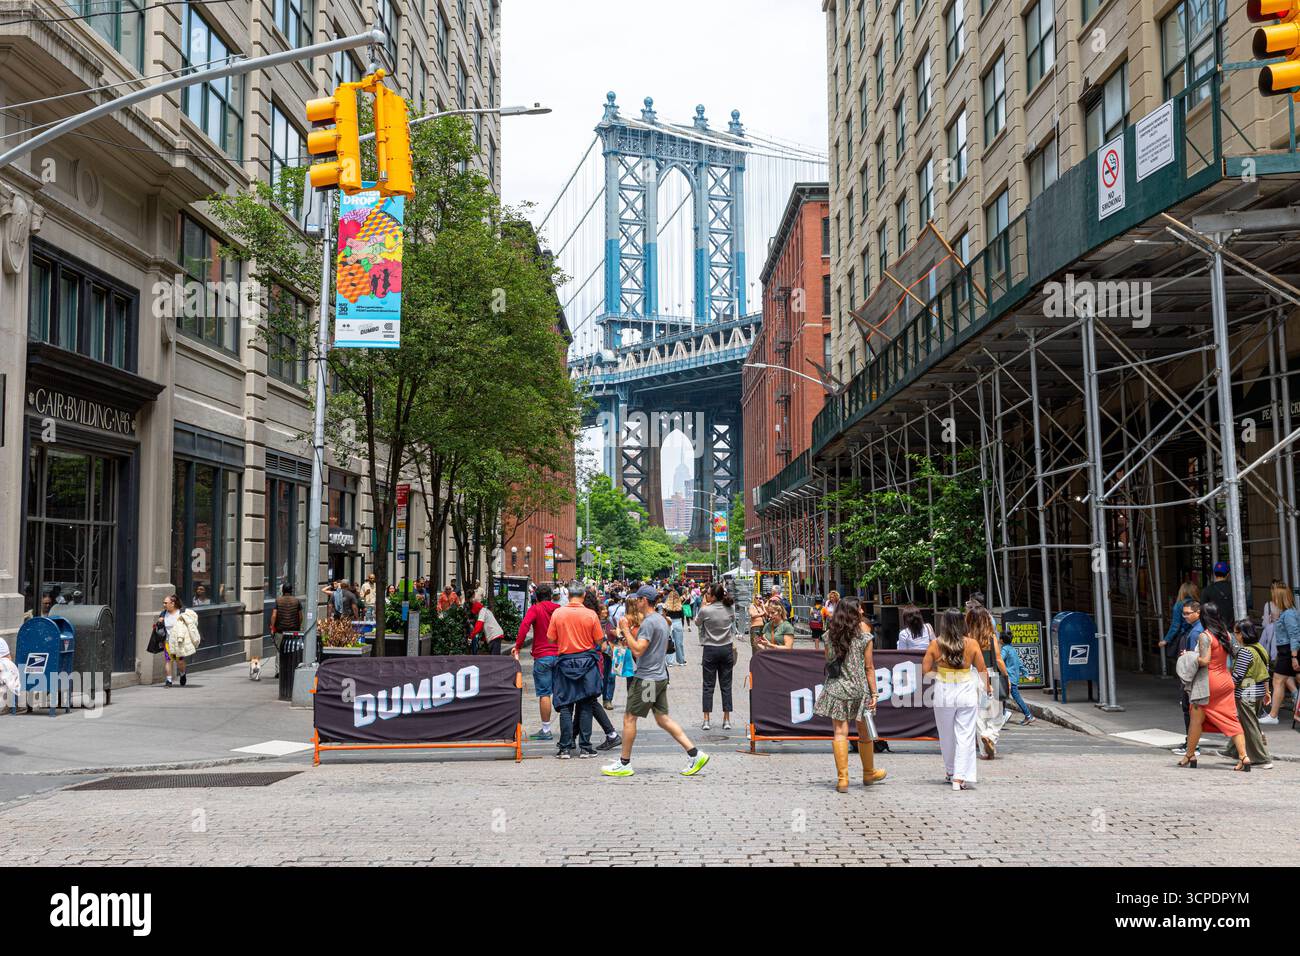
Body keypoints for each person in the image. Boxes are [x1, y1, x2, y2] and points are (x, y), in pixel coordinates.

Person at [601, 585, 710, 778]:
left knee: (629, 718)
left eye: (638, 599)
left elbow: (637, 651)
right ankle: (695, 754)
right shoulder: (660, 619)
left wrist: (625, 630)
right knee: (662, 719)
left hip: (647, 679)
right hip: (659, 677)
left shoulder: (649, 623)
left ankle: (624, 763)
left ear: (644, 600)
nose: (635, 602)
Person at [815, 597, 887, 792]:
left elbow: (829, 662)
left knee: (840, 733)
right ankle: (868, 773)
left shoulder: (829, 636)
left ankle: (843, 779)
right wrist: (874, 694)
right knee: (864, 733)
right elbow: (869, 667)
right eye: (860, 609)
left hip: (837, 688)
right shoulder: (865, 637)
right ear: (854, 613)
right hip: (859, 689)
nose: (863, 612)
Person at [922, 608, 991, 791]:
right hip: (966, 689)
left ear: (943, 624)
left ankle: (951, 771)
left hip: (944, 690)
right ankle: (960, 778)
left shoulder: (935, 644)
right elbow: (983, 670)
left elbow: (926, 671)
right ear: (962, 623)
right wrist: (988, 687)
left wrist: (941, 675)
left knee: (946, 736)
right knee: (965, 735)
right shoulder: (972, 644)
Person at [1179, 601, 1250, 771]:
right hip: (1225, 680)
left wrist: (1189, 655)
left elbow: (1204, 660)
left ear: (1203, 616)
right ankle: (1244, 757)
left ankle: (1190, 755)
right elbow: (1239, 653)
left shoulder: (1205, 636)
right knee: (1231, 719)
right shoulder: (1226, 634)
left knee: (1196, 720)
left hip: (1207, 683)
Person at [547, 581, 606, 758]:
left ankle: (565, 747)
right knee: (586, 705)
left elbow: (550, 639)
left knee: (565, 706)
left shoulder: (558, 613)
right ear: (583, 596)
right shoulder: (590, 615)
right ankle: (585, 747)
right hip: (587, 663)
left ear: (568, 595)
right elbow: (599, 640)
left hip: (565, 663)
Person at [1217, 619, 1272, 769]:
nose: (1235, 636)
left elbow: (1237, 676)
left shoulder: (1245, 652)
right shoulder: (1260, 648)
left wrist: (1223, 690)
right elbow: (1266, 672)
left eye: (1236, 633)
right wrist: (1267, 692)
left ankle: (1262, 758)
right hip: (1258, 692)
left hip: (1246, 693)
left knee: (1249, 725)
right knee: (1243, 723)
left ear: (1242, 634)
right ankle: (1233, 750)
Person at [514, 583, 561, 741]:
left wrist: (518, 646)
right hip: (561, 655)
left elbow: (524, 626)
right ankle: (568, 728)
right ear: (551, 595)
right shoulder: (558, 609)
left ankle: (546, 729)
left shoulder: (535, 609)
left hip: (542, 656)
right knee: (563, 692)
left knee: (545, 694)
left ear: (536, 596)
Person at [581, 589, 623, 750]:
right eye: (602, 610)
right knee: (585, 701)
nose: (604, 612)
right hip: (594, 659)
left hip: (597, 658)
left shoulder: (598, 619)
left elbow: (604, 641)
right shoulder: (592, 618)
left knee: (588, 699)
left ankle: (609, 732)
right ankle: (571, 739)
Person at [966, 605, 1008, 759]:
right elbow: (998, 659)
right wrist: (1006, 676)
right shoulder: (991, 637)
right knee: (996, 713)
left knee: (978, 713)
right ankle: (990, 735)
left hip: (973, 675)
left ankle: (985, 752)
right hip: (990, 674)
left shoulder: (968, 637)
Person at [697, 581, 737, 731]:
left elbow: (697, 623)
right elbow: (733, 620)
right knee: (726, 685)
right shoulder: (729, 608)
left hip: (710, 649)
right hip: (726, 648)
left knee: (708, 685)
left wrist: (703, 605)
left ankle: (706, 719)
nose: (706, 595)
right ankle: (726, 719)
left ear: (713, 596)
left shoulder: (705, 610)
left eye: (708, 593)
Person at [1171, 601, 1205, 756]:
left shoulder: (1196, 632)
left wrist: (1186, 682)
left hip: (1191, 679)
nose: (1184, 616)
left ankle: (1192, 745)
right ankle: (1191, 743)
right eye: (1183, 613)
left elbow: (1192, 659)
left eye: (1187, 613)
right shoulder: (1195, 629)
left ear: (1197, 613)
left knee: (1189, 711)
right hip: (1194, 678)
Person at [1263, 581, 1299, 725]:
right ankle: (1273, 715)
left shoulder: (1288, 614)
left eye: (1274, 596)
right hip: (1287, 651)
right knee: (1282, 680)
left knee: (1278, 681)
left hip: (1288, 651)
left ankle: (1273, 715)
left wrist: (1294, 656)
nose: (1273, 599)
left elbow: (1294, 635)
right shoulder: (1288, 612)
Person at [262, 582, 302, 682]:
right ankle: (291, 669)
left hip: (280, 631)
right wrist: (298, 626)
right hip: (293, 630)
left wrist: (272, 627)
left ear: (283, 591)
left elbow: (274, 615)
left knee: (280, 650)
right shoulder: (297, 601)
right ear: (291, 591)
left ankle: (278, 671)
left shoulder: (278, 601)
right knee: (292, 650)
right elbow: (300, 616)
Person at [159, 593, 200, 687]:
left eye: (166, 603)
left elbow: (192, 621)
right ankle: (168, 681)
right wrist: (159, 621)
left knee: (179, 661)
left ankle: (182, 674)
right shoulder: (163, 614)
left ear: (172, 603)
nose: (164, 605)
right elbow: (161, 628)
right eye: (164, 603)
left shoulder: (182, 612)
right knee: (168, 660)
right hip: (168, 642)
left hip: (178, 642)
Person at [1158, 581, 1200, 666]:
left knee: (1185, 664)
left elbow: (1175, 626)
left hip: (1185, 637)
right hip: (1200, 634)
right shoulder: (1197, 604)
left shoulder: (1179, 605)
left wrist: (1166, 640)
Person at [999, 629, 1035, 724]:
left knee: (1006, 697)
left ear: (1002, 640)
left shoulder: (1005, 649)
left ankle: (1028, 715)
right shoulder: (1012, 649)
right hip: (1013, 677)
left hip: (1008, 678)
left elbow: (1000, 661)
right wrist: (1026, 675)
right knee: (1002, 697)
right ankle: (1003, 714)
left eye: (1000, 638)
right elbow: (1020, 664)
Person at [1201, 562, 1235, 628]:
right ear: (1228, 574)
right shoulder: (1235, 589)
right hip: (1233, 628)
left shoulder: (1206, 590)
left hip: (1215, 628)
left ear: (1214, 574)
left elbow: (1203, 612)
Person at [663, 588, 687, 666]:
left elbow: (664, 615)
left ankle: (670, 662)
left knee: (670, 641)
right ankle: (681, 661)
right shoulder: (680, 606)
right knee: (679, 643)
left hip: (669, 622)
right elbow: (682, 616)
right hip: (678, 622)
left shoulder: (666, 606)